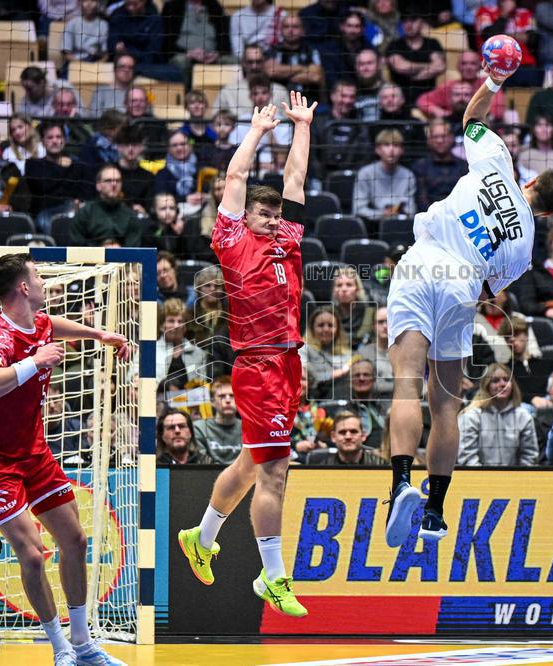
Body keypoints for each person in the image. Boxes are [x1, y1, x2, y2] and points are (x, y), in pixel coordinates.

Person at [384, 65, 553, 548]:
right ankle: (434, 512)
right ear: (549, 212)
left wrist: (494, 79)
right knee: (445, 401)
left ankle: (401, 483)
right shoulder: (526, 245)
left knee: (405, 384)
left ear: (531, 180)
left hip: (423, 261)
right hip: (462, 284)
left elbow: (472, 116)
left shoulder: (497, 162)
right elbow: (492, 290)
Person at [177, 92, 317, 617]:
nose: (273, 220)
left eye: (276, 214)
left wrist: (301, 126)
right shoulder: (232, 240)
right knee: (276, 469)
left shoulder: (290, 240)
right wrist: (258, 130)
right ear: (246, 216)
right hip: (256, 363)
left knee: (252, 461)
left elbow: (296, 181)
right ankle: (273, 577)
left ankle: (202, 536)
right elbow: (235, 182)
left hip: (288, 362)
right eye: (265, 213)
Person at [0, 253, 130, 665]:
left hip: (32, 451)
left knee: (75, 540)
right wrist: (34, 362)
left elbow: (53, 326)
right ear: (22, 287)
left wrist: (99, 334)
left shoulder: (39, 322)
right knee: (32, 555)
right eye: (36, 275)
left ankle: (85, 644)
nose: (42, 281)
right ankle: (60, 649)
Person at [457, 363, 538, 467]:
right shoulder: (471, 417)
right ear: (486, 386)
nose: (502, 384)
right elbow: (467, 457)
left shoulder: (523, 416)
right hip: (479, 479)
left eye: (506, 380)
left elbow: (529, 456)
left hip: (516, 479)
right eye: (495, 381)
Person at [25, 120, 94, 233]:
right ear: (43, 142)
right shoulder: (33, 165)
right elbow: (42, 187)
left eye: (58, 137)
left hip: (72, 213)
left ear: (64, 140)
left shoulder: (79, 166)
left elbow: (85, 194)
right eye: (50, 138)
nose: (55, 141)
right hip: (45, 215)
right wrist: (60, 167)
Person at [352, 128, 417, 224]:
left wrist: (396, 213)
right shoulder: (365, 173)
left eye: (396, 145)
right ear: (377, 149)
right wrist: (382, 214)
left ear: (402, 150)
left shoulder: (408, 175)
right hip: (372, 225)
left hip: (400, 224)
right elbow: (358, 209)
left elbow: (411, 210)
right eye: (386, 145)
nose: (391, 149)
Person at [70, 165, 143, 247]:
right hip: (90, 259)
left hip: (122, 259)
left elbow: (134, 249)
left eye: (118, 181)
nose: (114, 184)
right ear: (98, 185)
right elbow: (76, 245)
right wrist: (100, 250)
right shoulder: (85, 213)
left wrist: (121, 251)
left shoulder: (130, 215)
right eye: (108, 180)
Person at [384, 12, 446, 107]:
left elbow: (440, 66)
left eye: (413, 20)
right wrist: (428, 65)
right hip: (400, 100)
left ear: (421, 22)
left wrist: (412, 75)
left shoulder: (432, 43)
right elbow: (402, 67)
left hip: (429, 98)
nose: (408, 24)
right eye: (405, 21)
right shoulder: (394, 45)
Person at [411, 119, 468, 211]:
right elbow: (421, 200)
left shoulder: (464, 166)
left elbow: (467, 198)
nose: (440, 140)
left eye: (444, 136)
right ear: (429, 140)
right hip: (430, 219)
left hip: (460, 217)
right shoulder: (420, 167)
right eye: (435, 137)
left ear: (451, 137)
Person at [266, 15, 324, 104]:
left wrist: (284, 75)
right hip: (278, 102)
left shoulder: (311, 50)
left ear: (302, 30)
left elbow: (316, 77)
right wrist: (303, 69)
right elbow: (271, 71)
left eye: (295, 27)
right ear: (281, 30)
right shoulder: (273, 50)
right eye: (286, 26)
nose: (291, 30)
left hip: (308, 101)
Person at [308, 411, 386, 465]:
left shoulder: (382, 466)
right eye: (342, 432)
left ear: (363, 436)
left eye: (353, 431)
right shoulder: (321, 469)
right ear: (333, 437)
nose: (348, 437)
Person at [62, 0, 109, 66]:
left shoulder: (104, 25)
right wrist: (81, 65)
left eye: (93, 1)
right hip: (75, 62)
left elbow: (105, 55)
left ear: (98, 3)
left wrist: (95, 66)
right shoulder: (72, 23)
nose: (89, 4)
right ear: (80, 3)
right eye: (85, 0)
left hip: (95, 63)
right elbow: (66, 53)